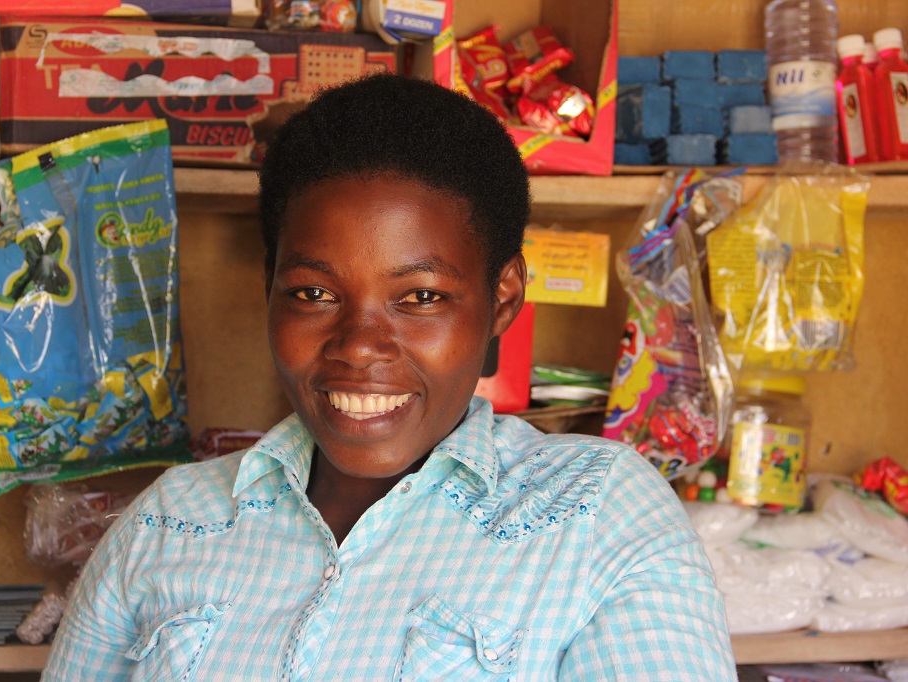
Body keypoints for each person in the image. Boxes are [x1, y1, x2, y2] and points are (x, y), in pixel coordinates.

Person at [43, 73, 736, 680]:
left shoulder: (594, 515)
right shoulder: (169, 524)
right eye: (314, 293)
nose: (359, 346)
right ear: (270, 287)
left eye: (421, 298)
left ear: (502, 300)